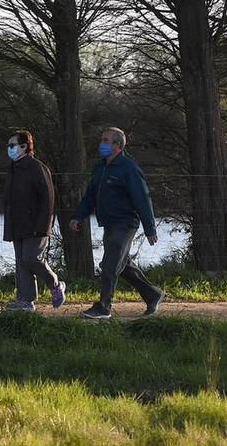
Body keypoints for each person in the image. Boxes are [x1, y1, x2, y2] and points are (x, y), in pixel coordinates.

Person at [67, 125, 164, 321]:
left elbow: (142, 198)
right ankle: (153, 294)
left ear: (118, 146)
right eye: (102, 139)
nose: (101, 144)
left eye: (105, 140)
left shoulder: (129, 168)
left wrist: (150, 228)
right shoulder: (100, 168)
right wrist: (78, 216)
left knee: (110, 263)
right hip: (109, 224)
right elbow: (90, 196)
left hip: (126, 223)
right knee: (120, 263)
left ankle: (104, 307)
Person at [1, 129, 64, 311]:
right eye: (8, 146)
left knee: (32, 258)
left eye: (12, 145)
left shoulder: (37, 168)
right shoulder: (13, 169)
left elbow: (48, 197)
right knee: (21, 262)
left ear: (24, 146)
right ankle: (26, 300)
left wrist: (43, 225)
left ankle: (55, 284)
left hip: (35, 224)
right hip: (17, 224)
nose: (9, 149)